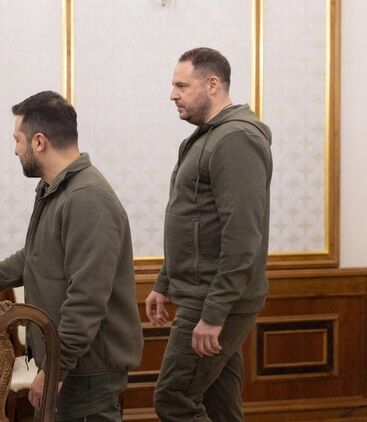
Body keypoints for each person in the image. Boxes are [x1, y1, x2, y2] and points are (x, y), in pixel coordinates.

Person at [0, 91, 144, 421]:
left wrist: (54, 370)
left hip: (85, 373)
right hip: (69, 365)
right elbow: (33, 257)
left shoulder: (87, 198)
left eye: (17, 140)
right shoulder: (55, 190)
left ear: (39, 142)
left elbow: (87, 299)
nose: (15, 149)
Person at [145, 47, 273, 421]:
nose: (172, 95)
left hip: (214, 299)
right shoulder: (208, 137)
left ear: (213, 85)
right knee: (220, 407)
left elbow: (243, 237)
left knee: (174, 399)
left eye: (182, 86)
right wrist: (165, 282)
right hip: (205, 293)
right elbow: (194, 222)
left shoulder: (235, 139)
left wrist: (215, 314)